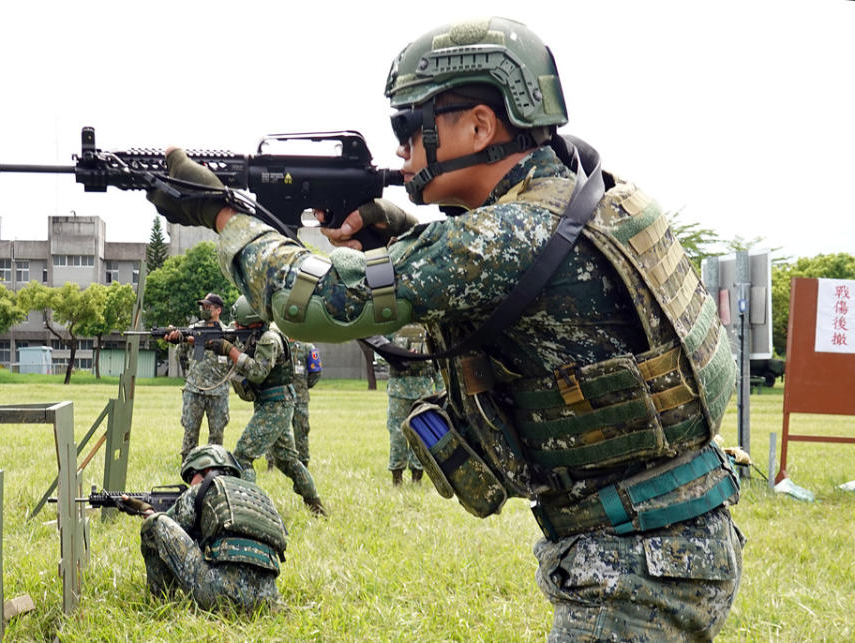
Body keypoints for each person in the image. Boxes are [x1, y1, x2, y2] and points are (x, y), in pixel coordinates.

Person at [148, 16, 742, 640]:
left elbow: (316, 303)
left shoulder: (503, 237)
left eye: (410, 126)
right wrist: (397, 229)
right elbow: (497, 261)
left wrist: (220, 214)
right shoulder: (605, 196)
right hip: (678, 534)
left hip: (635, 569)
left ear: (481, 125)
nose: (402, 149)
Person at [123, 444, 286, 612]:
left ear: (207, 470)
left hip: (220, 596)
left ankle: (158, 603)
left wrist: (148, 512)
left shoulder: (204, 488)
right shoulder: (261, 498)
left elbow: (169, 531)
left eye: (192, 475)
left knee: (155, 523)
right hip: (268, 602)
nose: (190, 483)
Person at [215, 296, 327, 516]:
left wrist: (231, 351)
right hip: (274, 404)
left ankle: (247, 510)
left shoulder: (269, 339)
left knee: (243, 456)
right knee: (287, 460)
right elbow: (224, 333)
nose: (235, 327)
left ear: (251, 321)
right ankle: (317, 507)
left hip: (276, 405)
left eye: (239, 324)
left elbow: (257, 373)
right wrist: (189, 338)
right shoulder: (257, 333)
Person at [165, 293, 232, 462]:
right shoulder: (193, 328)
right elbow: (180, 355)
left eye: (208, 306)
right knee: (190, 434)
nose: (204, 309)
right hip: (194, 389)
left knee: (217, 436)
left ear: (218, 310)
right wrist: (180, 339)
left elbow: (235, 357)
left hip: (218, 391)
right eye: (203, 306)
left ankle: (214, 470)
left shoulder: (227, 333)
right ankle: (187, 468)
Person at [384, 324, 443, 486]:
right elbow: (438, 364)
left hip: (398, 390)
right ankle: (417, 477)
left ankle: (397, 478)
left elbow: (381, 356)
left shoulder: (392, 331)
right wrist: (440, 391)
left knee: (397, 432)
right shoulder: (428, 331)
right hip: (423, 391)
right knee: (420, 432)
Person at [267, 339, 321, 470]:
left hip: (300, 398)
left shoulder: (307, 347)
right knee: (274, 429)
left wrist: (304, 387)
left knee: (301, 429)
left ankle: (303, 461)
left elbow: (315, 372)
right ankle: (272, 461)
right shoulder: (276, 344)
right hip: (279, 395)